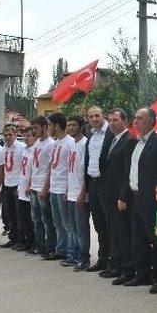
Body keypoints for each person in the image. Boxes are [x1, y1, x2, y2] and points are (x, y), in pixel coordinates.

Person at [124, 107, 157, 294]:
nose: (136, 121)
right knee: (138, 238)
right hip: (135, 196)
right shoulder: (136, 143)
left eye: (140, 118)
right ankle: (142, 273)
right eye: (135, 118)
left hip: (153, 199)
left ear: (152, 122)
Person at [101, 109, 138, 282]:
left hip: (121, 196)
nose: (111, 123)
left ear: (125, 121)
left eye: (115, 120)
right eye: (109, 120)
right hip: (108, 193)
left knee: (123, 233)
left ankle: (127, 269)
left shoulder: (129, 141)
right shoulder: (112, 139)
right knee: (113, 232)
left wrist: (123, 196)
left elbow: (127, 172)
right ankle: (115, 266)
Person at [84, 106, 114, 272]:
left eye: (97, 115)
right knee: (99, 224)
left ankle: (112, 260)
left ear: (103, 116)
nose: (94, 119)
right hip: (93, 184)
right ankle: (102, 259)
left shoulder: (110, 134)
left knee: (109, 224)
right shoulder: (91, 135)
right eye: (91, 116)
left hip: (105, 184)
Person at [44, 113, 75, 263]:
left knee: (67, 223)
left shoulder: (70, 143)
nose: (49, 128)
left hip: (63, 188)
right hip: (54, 188)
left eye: (50, 125)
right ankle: (60, 249)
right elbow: (51, 166)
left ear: (57, 126)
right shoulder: (55, 143)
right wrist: (47, 186)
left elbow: (71, 168)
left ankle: (70, 252)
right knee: (57, 222)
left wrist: (68, 189)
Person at [65, 116, 91, 270]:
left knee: (81, 229)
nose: (70, 127)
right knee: (73, 228)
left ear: (81, 127)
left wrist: (82, 193)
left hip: (81, 194)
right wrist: (68, 190)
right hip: (71, 193)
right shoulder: (73, 144)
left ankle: (84, 258)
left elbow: (85, 172)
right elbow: (71, 171)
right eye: (69, 125)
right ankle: (74, 255)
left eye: (74, 125)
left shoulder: (84, 144)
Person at [29, 116, 56, 257]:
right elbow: (34, 166)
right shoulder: (37, 143)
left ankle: (50, 246)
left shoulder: (51, 144)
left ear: (45, 127)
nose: (34, 131)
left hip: (43, 188)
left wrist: (45, 188)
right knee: (36, 219)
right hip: (34, 186)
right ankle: (39, 245)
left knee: (47, 220)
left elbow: (51, 168)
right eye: (33, 128)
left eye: (36, 128)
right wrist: (30, 184)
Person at [0, 124, 26, 250]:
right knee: (9, 214)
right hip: (7, 184)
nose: (7, 137)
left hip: (18, 184)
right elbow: (2, 168)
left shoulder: (22, 147)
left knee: (19, 214)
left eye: (10, 135)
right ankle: (12, 238)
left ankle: (21, 240)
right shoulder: (3, 149)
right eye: (5, 135)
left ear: (15, 135)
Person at [17, 128, 36, 253]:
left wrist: (31, 184)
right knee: (23, 219)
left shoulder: (35, 150)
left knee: (32, 220)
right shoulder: (25, 150)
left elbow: (36, 170)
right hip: (22, 187)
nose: (26, 138)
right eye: (25, 135)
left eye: (29, 135)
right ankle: (26, 242)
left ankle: (34, 244)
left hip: (30, 189)